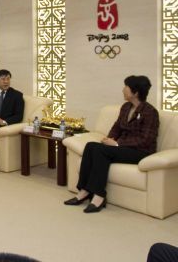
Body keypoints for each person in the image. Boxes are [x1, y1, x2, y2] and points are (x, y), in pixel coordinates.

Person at [64, 75, 159, 213]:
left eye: (126, 87)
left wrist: (117, 143)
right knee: (91, 146)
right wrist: (108, 139)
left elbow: (145, 139)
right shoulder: (126, 107)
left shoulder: (150, 112)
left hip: (140, 151)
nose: (123, 89)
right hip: (123, 147)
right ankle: (84, 191)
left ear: (135, 92)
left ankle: (99, 196)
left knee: (100, 151)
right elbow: (117, 127)